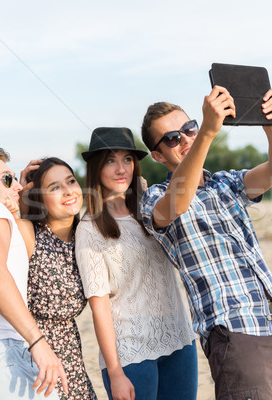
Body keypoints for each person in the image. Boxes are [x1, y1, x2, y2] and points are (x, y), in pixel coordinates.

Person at [139, 87, 272, 400]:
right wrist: (207, 133)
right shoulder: (154, 197)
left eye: (189, 129)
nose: (184, 139)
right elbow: (177, 205)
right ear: (157, 155)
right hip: (232, 328)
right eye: (171, 138)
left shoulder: (226, 181)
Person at [0, 155, 96, 399]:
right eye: (7, 179)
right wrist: (37, 341)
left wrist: (12, 196)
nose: (18, 186)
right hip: (0, 353)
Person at [75, 127, 197, 400]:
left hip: (180, 340)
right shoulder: (90, 229)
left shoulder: (152, 207)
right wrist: (116, 371)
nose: (121, 169)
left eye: (127, 160)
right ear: (96, 168)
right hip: (131, 352)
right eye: (110, 160)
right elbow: (100, 306)